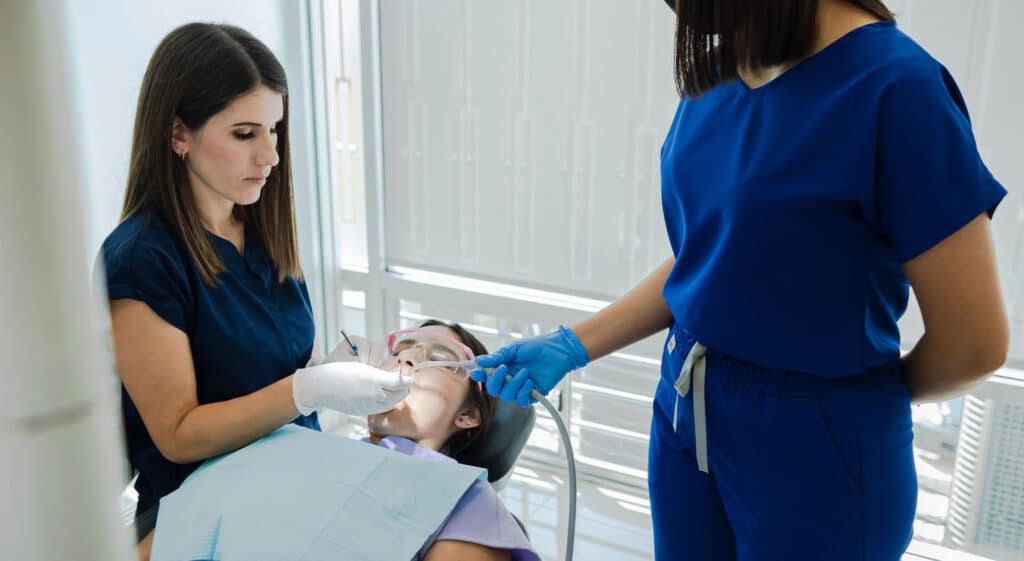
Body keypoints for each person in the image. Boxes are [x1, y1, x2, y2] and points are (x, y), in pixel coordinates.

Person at [472, 1, 1010, 559]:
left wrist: (853, 403)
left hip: (818, 465)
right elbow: (714, 257)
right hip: (684, 416)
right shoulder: (725, 65)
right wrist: (574, 345)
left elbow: (974, 346)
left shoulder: (898, 91)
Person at [99, 22, 410, 553]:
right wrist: (306, 390)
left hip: (294, 476)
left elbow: (270, 375)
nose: (269, 156)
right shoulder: (140, 260)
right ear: (178, 134)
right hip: (203, 506)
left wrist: (333, 376)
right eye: (245, 134)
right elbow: (177, 435)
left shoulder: (265, 231)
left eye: (275, 131)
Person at [143, 320, 539, 561]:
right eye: (401, 349)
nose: (410, 358)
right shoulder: (280, 444)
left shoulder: (466, 501)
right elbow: (166, 540)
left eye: (438, 356)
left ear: (467, 414)